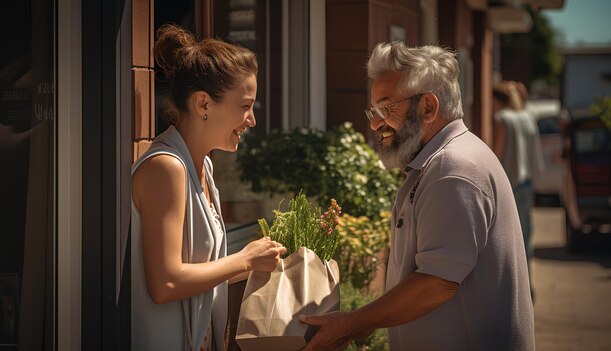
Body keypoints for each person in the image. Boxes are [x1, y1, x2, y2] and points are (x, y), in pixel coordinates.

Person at [300, 42, 535, 350]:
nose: (374, 123)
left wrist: (352, 324)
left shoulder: (454, 168)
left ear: (428, 107)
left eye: (386, 107)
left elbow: (436, 282)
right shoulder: (440, 161)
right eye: (373, 110)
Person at [130, 24, 286, 351]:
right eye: (245, 106)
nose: (251, 120)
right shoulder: (166, 167)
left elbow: (200, 275)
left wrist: (263, 261)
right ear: (204, 104)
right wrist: (244, 259)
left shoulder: (204, 167)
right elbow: (166, 282)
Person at [492, 81, 544, 300]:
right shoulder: (528, 117)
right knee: (526, 236)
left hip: (509, 183)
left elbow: (499, 150)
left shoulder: (502, 118)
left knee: (507, 239)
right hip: (527, 182)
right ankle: (527, 284)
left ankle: (514, 289)